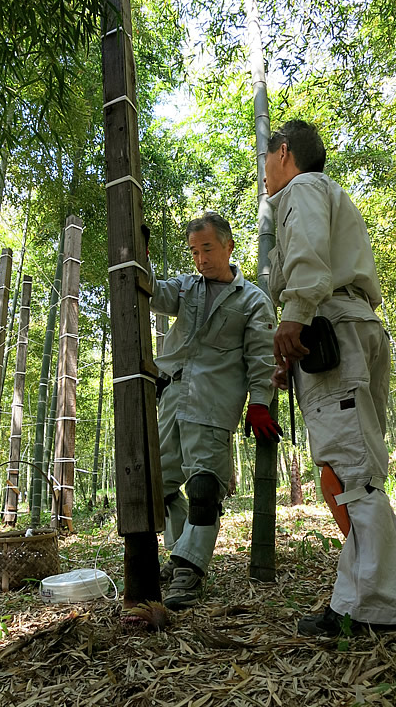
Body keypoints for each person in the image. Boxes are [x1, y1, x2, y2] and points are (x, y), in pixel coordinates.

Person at [265, 119, 396, 636]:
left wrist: (294, 314)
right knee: (355, 465)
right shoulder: (324, 192)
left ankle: (375, 606)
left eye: (267, 158)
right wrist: (289, 341)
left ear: (284, 151)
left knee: (351, 472)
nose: (265, 172)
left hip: (333, 326)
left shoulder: (304, 188)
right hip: (348, 327)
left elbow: (308, 257)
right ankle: (367, 592)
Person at [148, 212, 280, 610]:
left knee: (204, 487)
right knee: (163, 487)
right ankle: (178, 553)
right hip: (171, 399)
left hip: (212, 404)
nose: (201, 258)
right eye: (194, 251)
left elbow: (261, 355)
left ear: (228, 246)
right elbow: (150, 291)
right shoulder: (186, 288)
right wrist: (143, 253)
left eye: (207, 248)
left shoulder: (253, 299)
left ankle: (190, 568)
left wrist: (260, 401)